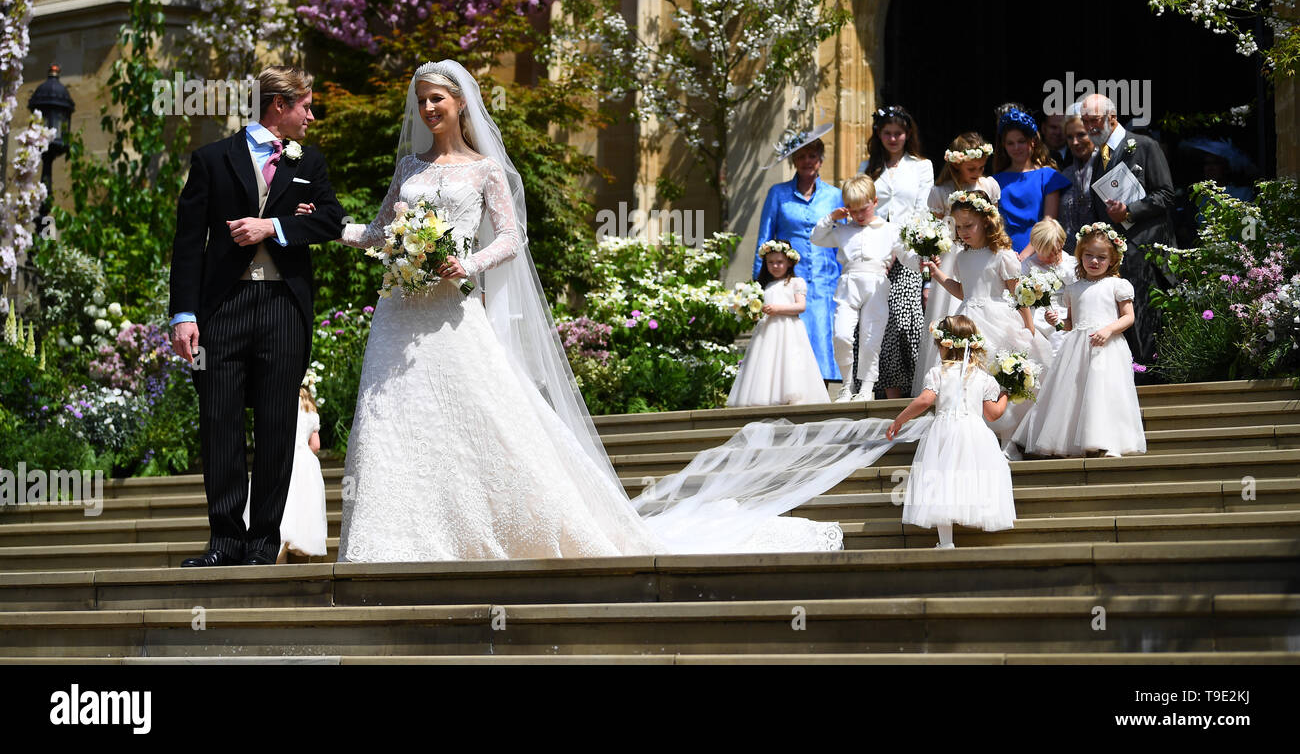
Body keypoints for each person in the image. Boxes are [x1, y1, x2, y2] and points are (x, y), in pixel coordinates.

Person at [332, 61, 848, 561]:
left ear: (460, 103)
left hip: (452, 310)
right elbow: (380, 232)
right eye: (421, 100)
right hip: (400, 312)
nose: (426, 108)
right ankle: (394, 538)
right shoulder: (409, 168)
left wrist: (467, 264)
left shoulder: (485, 170)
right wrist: (326, 227)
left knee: (481, 416)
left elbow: (511, 238)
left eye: (436, 99)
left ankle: (476, 531)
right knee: (391, 419)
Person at [168, 66, 345, 567]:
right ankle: (224, 540)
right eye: (305, 106)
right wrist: (184, 314)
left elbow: (331, 221)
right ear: (277, 106)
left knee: (275, 425)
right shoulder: (211, 160)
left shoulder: (310, 160)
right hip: (222, 309)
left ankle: (263, 543)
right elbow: (187, 246)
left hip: (283, 308)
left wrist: (274, 226)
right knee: (218, 420)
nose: (312, 116)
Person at [922, 190, 1053, 454]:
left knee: (1005, 375)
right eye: (958, 227)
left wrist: (1028, 327)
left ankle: (1011, 439)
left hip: (999, 317)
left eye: (968, 225)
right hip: (968, 321)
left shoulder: (1002, 255)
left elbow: (1018, 295)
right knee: (970, 377)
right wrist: (937, 274)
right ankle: (979, 440)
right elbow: (963, 290)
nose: (963, 231)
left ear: (986, 221)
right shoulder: (962, 257)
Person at [1015, 224, 1146, 458]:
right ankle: (1078, 439)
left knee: (1105, 392)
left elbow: (1128, 317)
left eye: (1101, 257)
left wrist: (1108, 330)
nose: (1094, 261)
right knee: (1076, 393)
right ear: (1080, 255)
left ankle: (1110, 441)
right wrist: (1056, 320)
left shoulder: (1117, 285)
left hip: (1106, 346)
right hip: (1077, 348)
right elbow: (1071, 324)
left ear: (1112, 259)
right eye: (1088, 255)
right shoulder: (1073, 289)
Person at [886, 315, 1015, 549]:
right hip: (975, 433)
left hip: (944, 431)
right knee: (973, 479)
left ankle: (946, 542)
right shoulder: (983, 377)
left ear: (941, 344)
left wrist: (900, 419)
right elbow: (993, 414)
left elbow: (925, 400)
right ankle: (976, 519)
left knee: (941, 485)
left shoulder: (938, 373)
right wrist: (1006, 394)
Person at [1079, 93, 1176, 368]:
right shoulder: (1098, 158)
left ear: (1112, 117)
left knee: (1148, 325)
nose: (1090, 127)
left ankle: (1152, 382)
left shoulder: (1144, 145)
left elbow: (1167, 195)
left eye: (1095, 120)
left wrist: (1131, 210)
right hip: (1116, 260)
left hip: (1146, 254)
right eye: (1085, 121)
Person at [811, 175, 918, 402]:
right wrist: (832, 217)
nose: (858, 215)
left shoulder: (890, 229)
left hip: (877, 285)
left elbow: (908, 257)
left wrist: (924, 258)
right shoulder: (842, 230)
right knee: (841, 334)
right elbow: (816, 237)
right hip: (849, 284)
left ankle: (867, 388)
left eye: (863, 209)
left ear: (875, 202)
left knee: (872, 338)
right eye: (852, 209)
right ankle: (847, 385)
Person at [911, 134, 1000, 396]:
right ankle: (947, 384)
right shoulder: (941, 193)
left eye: (982, 168)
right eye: (972, 169)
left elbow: (995, 224)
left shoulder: (989, 186)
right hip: (951, 259)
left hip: (982, 257)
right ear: (956, 164)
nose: (978, 173)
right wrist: (929, 265)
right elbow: (934, 232)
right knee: (950, 315)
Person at [754, 125, 843, 382]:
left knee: (822, 335)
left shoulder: (834, 196)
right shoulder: (778, 194)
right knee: (790, 336)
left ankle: (823, 387)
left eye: (812, 156)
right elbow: (764, 237)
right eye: (801, 156)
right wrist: (759, 282)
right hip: (788, 279)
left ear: (821, 160)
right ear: (794, 160)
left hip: (825, 278)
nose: (807, 161)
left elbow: (840, 238)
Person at [857, 106, 934, 399]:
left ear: (907, 134)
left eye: (898, 133)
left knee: (906, 323)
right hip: (874, 257)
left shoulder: (921, 166)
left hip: (908, 256)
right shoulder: (866, 168)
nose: (893, 138)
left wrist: (898, 248)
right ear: (879, 134)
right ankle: (886, 396)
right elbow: (860, 209)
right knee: (880, 324)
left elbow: (922, 212)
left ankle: (914, 389)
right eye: (887, 133)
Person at [727, 241, 827, 407]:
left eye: (779, 262)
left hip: (788, 328)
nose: (775, 266)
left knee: (789, 359)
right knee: (767, 361)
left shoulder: (796, 282)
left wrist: (777, 308)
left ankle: (791, 395)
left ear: (789, 262)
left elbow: (800, 306)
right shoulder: (764, 286)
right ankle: (767, 395)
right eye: (770, 262)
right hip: (768, 330)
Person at [241, 383, 328, 561]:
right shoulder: (312, 413)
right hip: (304, 461)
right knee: (301, 505)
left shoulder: (280, 403)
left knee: (278, 502)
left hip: (280, 457)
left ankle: (270, 549)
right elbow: (316, 445)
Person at [992, 104, 1071, 258]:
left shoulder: (1047, 176)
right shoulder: (995, 180)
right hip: (1003, 252)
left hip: (1039, 251)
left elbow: (1048, 221)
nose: (1016, 147)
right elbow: (994, 224)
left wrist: (1024, 256)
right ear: (1004, 146)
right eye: (1010, 143)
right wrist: (1005, 254)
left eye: (1021, 141)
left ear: (1033, 141)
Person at [1021, 219, 1076, 353]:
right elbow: (1020, 288)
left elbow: (1074, 286)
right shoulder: (1030, 263)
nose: (1046, 258)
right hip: (1036, 319)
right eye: (1041, 253)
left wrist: (1059, 264)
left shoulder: (1070, 263)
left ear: (1061, 245)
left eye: (1052, 253)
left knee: (1058, 354)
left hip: (1061, 318)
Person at [1057, 113, 1098, 252]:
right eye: (1070, 137)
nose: (1075, 142)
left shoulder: (1107, 167)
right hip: (1071, 256)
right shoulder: (1066, 175)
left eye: (1081, 134)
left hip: (1101, 256)